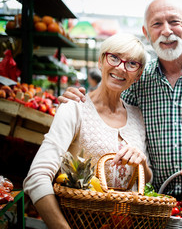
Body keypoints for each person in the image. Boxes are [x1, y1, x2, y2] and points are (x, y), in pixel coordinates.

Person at [58, 0, 182, 205]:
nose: (166, 31)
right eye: (157, 24)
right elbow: (109, 107)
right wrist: (81, 100)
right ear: (146, 32)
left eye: (174, 22)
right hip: (156, 205)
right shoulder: (138, 78)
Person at [23, 33, 152, 229]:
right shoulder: (74, 108)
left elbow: (146, 179)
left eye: (131, 63)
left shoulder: (137, 116)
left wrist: (142, 162)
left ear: (138, 75)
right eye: (114, 57)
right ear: (101, 61)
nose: (120, 67)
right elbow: (36, 178)